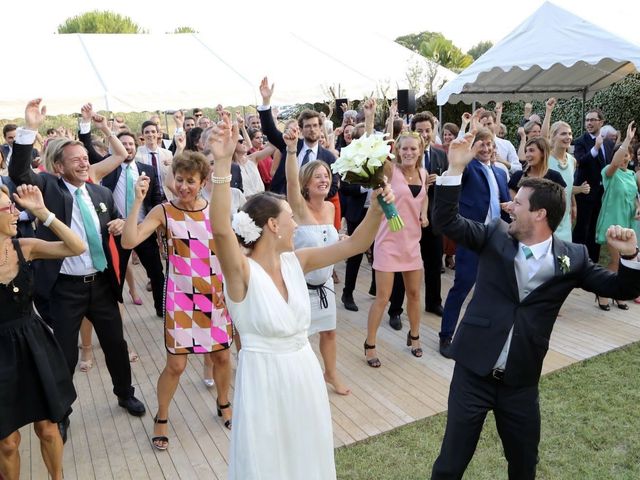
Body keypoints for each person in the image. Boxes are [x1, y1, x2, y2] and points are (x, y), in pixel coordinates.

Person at [429, 131, 640, 480]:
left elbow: (620, 287)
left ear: (540, 214)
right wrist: (453, 169)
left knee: (524, 465)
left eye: (518, 204)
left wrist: (630, 254)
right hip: (473, 372)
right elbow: (446, 222)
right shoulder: (494, 234)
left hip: (520, 382)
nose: (509, 206)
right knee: (450, 465)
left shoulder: (574, 257)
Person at [208, 111, 392, 479]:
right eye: (290, 216)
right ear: (273, 226)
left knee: (306, 454)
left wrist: (377, 206)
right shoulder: (242, 273)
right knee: (269, 459)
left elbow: (356, 243)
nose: (296, 221)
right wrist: (223, 165)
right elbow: (221, 231)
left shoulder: (298, 261)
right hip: (263, 378)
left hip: (304, 372)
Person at [9, 99, 146, 444]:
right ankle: (63, 413)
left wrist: (115, 222)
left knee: (115, 343)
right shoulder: (50, 189)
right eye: (76, 160)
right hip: (64, 289)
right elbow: (18, 173)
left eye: (86, 159)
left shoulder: (99, 191)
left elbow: (109, 222)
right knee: (65, 354)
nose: (85, 163)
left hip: (100, 284)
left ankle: (124, 392)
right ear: (58, 166)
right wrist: (30, 129)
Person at [121, 150, 234, 450]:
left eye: (191, 181)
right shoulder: (163, 211)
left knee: (222, 356)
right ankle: (162, 416)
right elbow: (128, 241)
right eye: (180, 180)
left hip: (215, 296)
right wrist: (136, 202)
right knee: (176, 366)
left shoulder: (215, 209)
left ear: (203, 182)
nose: (184, 187)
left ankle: (224, 403)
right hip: (180, 298)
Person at [0, 184, 85, 480]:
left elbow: (77, 247)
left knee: (48, 428)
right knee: (8, 443)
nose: (15, 213)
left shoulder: (25, 247)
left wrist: (43, 213)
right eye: (7, 209)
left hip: (33, 346)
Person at [285, 117, 350, 395]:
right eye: (318, 177)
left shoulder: (331, 210)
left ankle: (331, 373)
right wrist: (290, 150)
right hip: (300, 286)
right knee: (300, 338)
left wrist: (342, 240)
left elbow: (329, 241)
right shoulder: (298, 208)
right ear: (306, 184)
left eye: (327, 175)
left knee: (329, 333)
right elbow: (289, 180)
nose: (324, 180)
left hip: (324, 285)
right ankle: (303, 381)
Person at [439, 128, 510, 357]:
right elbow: (456, 172)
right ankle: (446, 335)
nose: (486, 149)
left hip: (496, 239)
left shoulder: (500, 173)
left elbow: (501, 200)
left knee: (489, 291)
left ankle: (477, 335)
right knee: (462, 286)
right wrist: (462, 158)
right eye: (481, 144)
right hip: (471, 237)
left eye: (490, 144)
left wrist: (508, 206)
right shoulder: (469, 169)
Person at [365, 130, 429, 367]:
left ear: (420, 150)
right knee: (383, 297)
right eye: (404, 148)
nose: (409, 152)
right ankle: (370, 344)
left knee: (414, 294)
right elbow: (371, 153)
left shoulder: (423, 173)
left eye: (414, 148)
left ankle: (414, 336)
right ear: (397, 150)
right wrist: (372, 120)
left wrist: (423, 213)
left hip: (413, 243)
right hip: (388, 243)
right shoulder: (392, 171)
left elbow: (423, 197)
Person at [594, 122, 640, 310]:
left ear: (630, 158)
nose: (623, 159)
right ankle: (603, 292)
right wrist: (627, 139)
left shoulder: (631, 174)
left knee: (626, 260)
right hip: (613, 221)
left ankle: (618, 293)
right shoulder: (609, 173)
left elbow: (634, 195)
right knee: (614, 260)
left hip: (628, 222)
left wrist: (638, 207)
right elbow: (614, 162)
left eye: (626, 155)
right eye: (621, 155)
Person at [573, 109, 615, 263]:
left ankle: (593, 261)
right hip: (585, 190)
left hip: (602, 193)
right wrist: (595, 149)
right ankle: (578, 260)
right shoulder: (580, 141)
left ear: (601, 122)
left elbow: (610, 166)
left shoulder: (609, 143)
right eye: (587, 120)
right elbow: (581, 162)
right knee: (582, 228)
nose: (589, 123)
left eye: (592, 120)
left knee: (596, 228)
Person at [548, 121, 591, 243]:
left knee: (564, 255)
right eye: (563, 134)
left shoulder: (572, 161)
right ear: (553, 136)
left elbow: (567, 187)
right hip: (549, 214)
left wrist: (574, 204)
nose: (568, 137)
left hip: (565, 216)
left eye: (570, 134)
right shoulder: (545, 160)